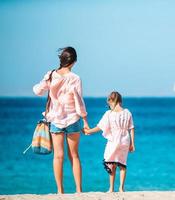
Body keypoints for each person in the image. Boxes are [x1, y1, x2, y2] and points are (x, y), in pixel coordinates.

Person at [33, 47, 89, 194]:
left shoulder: (51, 75)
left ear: (62, 60)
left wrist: (46, 80)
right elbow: (79, 101)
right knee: (75, 156)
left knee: (58, 156)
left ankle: (60, 191)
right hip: (72, 119)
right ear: (74, 61)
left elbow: (37, 91)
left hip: (56, 120)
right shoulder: (75, 78)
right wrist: (85, 120)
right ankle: (78, 190)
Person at [83, 91, 135, 192]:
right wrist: (133, 143)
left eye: (109, 104)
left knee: (111, 163)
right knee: (122, 164)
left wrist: (89, 131)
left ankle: (111, 188)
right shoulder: (127, 112)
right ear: (120, 101)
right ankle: (121, 188)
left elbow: (100, 127)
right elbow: (131, 128)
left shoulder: (109, 114)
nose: (109, 106)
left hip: (114, 140)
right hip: (125, 140)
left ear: (111, 101)